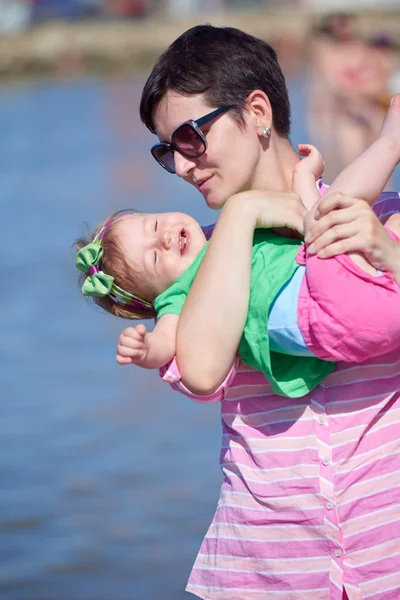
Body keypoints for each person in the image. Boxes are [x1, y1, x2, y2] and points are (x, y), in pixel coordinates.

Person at [117, 25, 400, 600]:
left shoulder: (382, 213)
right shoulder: (197, 259)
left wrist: (387, 253)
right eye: (166, 151)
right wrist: (244, 214)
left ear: (257, 111)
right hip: (266, 571)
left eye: (190, 137)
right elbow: (200, 365)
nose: (182, 164)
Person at [76, 101, 400, 401]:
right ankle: (388, 144)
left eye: (157, 225)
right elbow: (170, 343)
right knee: (333, 211)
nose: (165, 239)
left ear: (257, 111)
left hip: (350, 289)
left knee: (334, 213)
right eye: (156, 258)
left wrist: (302, 181)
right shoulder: (182, 295)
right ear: (157, 295)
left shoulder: (228, 233)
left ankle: (385, 145)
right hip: (332, 309)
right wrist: (146, 350)